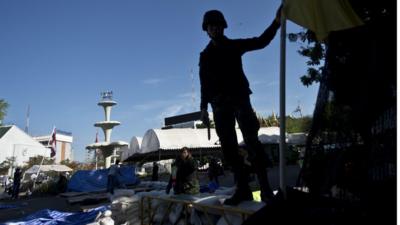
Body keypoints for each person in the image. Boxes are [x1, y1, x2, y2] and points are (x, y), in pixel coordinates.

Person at [199, 7, 281, 205]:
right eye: (211, 27)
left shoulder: (234, 46)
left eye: (218, 26)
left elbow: (261, 42)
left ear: (223, 28)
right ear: (207, 30)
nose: (215, 29)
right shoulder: (205, 55)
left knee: (252, 143)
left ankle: (266, 190)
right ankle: (243, 189)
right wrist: (203, 107)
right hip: (219, 106)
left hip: (239, 99)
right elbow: (204, 84)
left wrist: (276, 22)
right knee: (229, 149)